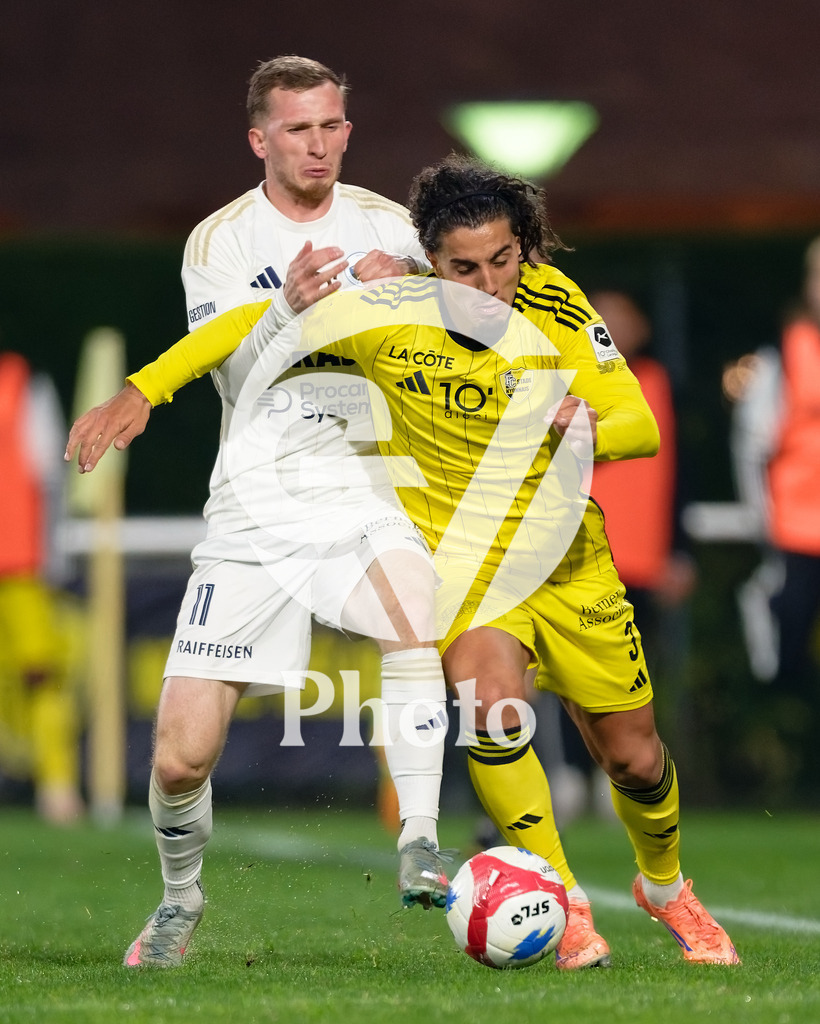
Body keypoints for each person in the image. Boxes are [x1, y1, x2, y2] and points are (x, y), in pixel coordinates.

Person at [87, 154, 741, 968]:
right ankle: (565, 902)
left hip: (569, 564)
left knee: (636, 760)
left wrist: (581, 427)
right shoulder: (386, 310)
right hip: (467, 573)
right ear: (429, 260)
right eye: (464, 266)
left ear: (523, 247)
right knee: (496, 713)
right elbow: (239, 326)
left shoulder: (557, 306)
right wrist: (143, 390)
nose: (488, 281)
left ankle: (666, 885)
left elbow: (637, 425)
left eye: (502, 259)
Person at [66, 56, 452, 968]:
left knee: (412, 614)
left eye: (331, 126)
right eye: (298, 129)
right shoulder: (221, 241)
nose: (318, 144)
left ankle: (421, 839)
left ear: (347, 130)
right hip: (255, 503)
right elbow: (232, 365)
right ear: (260, 140)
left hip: (363, 484)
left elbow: (443, 345)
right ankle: (178, 902)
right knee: (178, 760)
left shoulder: (390, 225)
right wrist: (288, 310)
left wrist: (418, 295)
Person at [731, 236, 820, 780]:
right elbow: (752, 445)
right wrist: (761, 521)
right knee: (789, 652)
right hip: (796, 529)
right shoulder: (783, 358)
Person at [0, 351, 83, 824]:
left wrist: (52, 553)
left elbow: (50, 475)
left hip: (17, 561)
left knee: (40, 675)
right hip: (17, 560)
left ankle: (57, 786)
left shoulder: (23, 384)